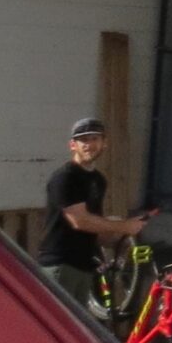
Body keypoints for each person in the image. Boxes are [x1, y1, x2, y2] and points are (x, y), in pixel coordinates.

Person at [35, 118, 147, 310]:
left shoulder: (98, 180)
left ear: (105, 143)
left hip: (84, 266)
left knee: (77, 326)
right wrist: (124, 226)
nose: (89, 145)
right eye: (83, 140)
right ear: (73, 145)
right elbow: (79, 221)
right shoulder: (65, 177)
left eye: (94, 139)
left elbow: (95, 225)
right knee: (60, 322)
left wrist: (121, 239)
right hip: (61, 265)